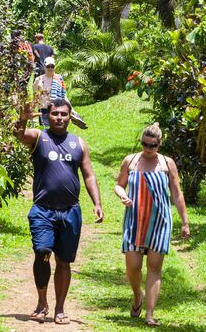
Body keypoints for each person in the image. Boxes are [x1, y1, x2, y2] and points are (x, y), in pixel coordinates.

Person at [13, 98, 104, 325]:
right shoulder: (39, 137)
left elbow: (89, 175)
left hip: (70, 212)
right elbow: (19, 135)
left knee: (64, 261)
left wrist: (97, 202)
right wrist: (22, 119)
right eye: (55, 114)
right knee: (42, 251)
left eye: (64, 114)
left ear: (70, 116)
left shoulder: (79, 144)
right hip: (43, 210)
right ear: (48, 116)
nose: (59, 118)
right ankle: (42, 303)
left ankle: (60, 309)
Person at [114, 123, 190, 327]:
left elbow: (176, 193)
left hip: (160, 221)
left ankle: (149, 314)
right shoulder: (131, 161)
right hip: (134, 220)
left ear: (160, 143)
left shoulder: (167, 163)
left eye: (152, 145)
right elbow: (119, 185)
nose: (148, 149)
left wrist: (185, 221)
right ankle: (137, 295)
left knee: (154, 267)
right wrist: (122, 195)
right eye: (144, 144)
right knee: (133, 267)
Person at [33, 57, 88, 129]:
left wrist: (72, 109)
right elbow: (35, 95)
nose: (50, 68)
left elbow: (63, 95)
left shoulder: (59, 79)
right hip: (44, 109)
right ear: (44, 67)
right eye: (48, 66)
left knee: (58, 130)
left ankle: (73, 117)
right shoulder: (39, 79)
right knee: (46, 132)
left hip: (57, 109)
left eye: (52, 66)